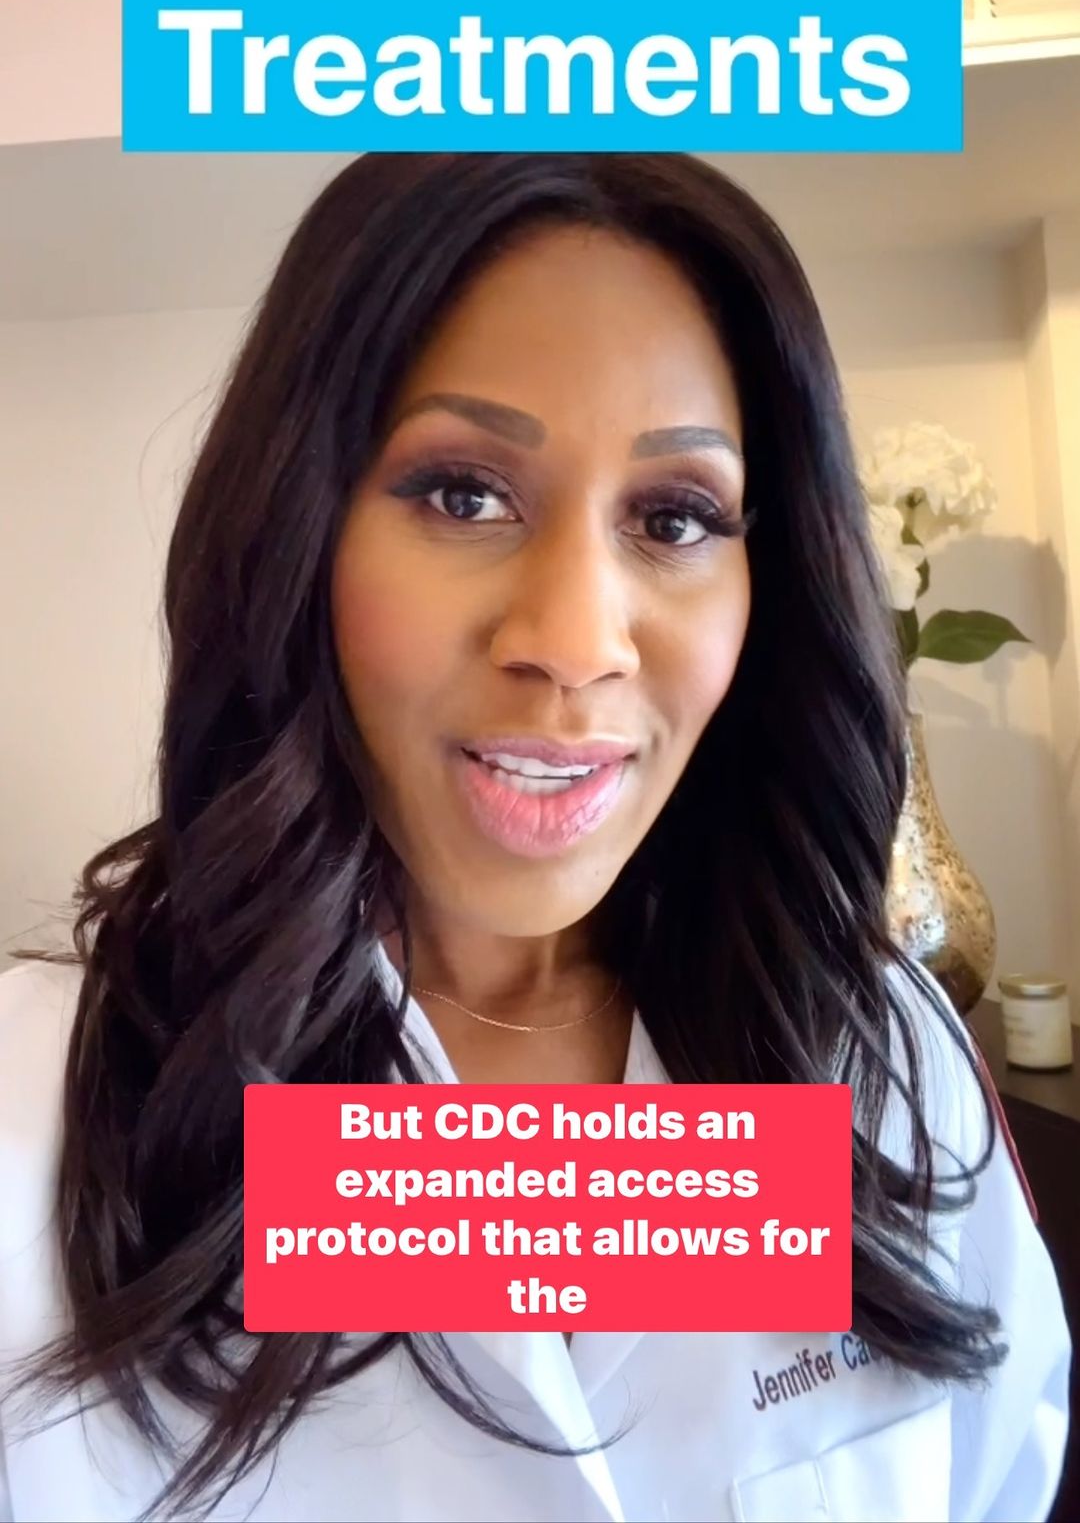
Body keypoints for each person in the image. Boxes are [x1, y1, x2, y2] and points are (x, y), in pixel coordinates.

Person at [0, 152, 1069, 1523]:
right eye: (464, 494)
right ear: (296, 533)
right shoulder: (36, 1106)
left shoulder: (887, 1057)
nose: (574, 640)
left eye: (675, 517)